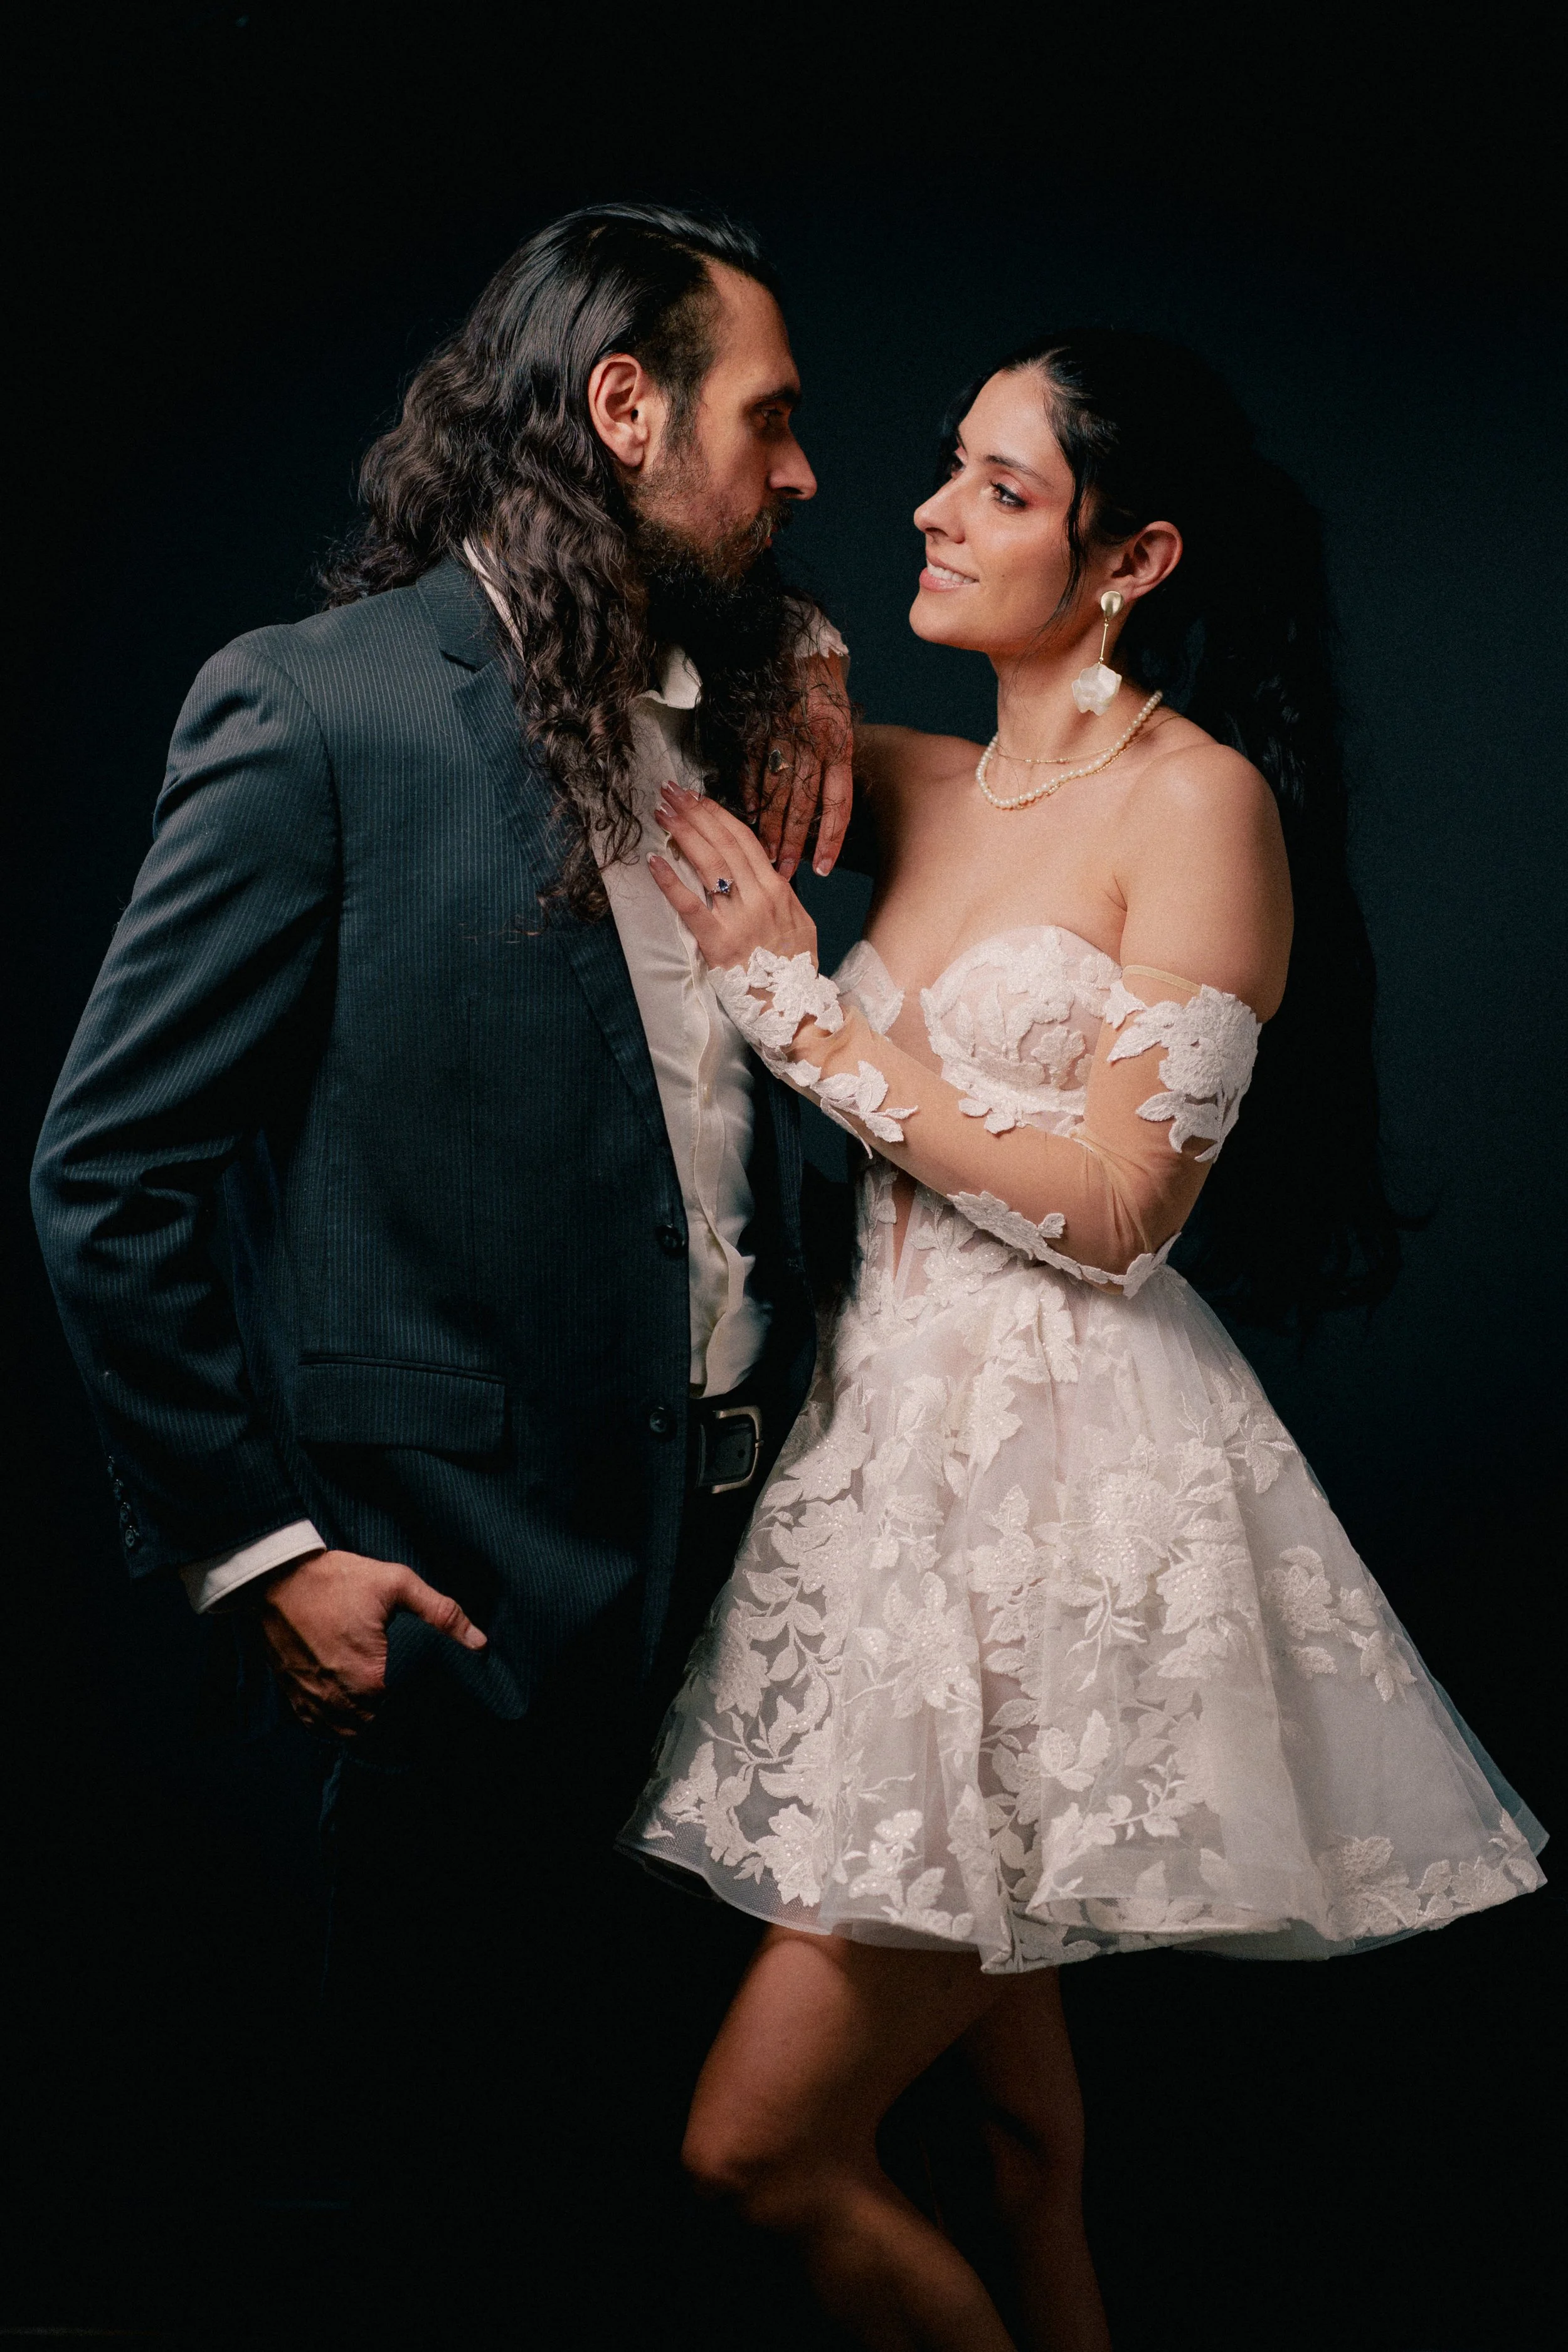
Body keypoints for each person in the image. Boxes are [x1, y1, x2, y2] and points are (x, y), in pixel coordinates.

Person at [623, 329, 1549, 2351]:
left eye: (999, 489)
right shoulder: (913, 780)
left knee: (756, 2152)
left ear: (1128, 559)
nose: (928, 512)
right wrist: (809, 658)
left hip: (1061, 1500)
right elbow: (675, 717)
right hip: (882, 1472)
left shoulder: (1201, 806)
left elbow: (1126, 1209)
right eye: (945, 467)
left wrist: (807, 1016)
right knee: (1028, 2156)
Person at [30, 203, 854, 2329]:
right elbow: (108, 1165)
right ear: (622, 407)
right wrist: (253, 1546)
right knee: (462, 2201)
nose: (801, 475)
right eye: (767, 424)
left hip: (762, 1600)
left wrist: (814, 644)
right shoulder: (316, 714)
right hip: (458, 1608)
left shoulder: (737, 697)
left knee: (687, 2212)